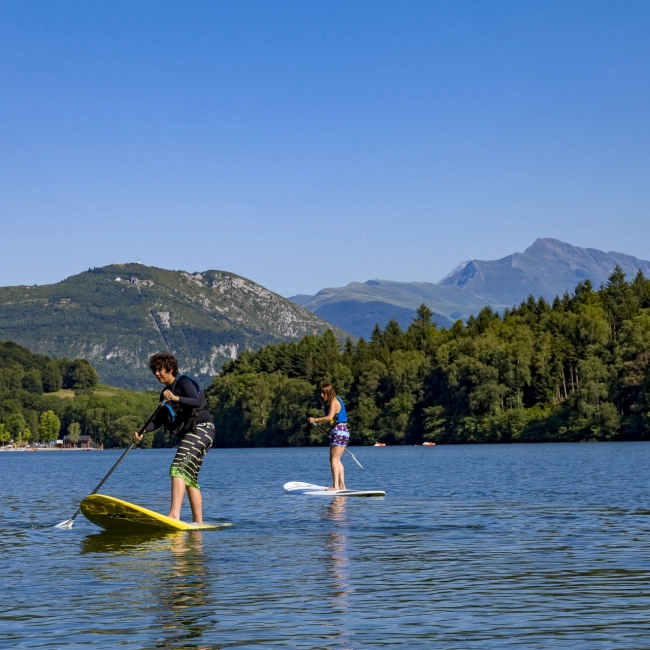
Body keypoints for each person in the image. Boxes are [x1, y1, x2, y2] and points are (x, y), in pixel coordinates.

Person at [133, 353, 214, 524]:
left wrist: (176, 398)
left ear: (170, 369)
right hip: (195, 433)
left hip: (201, 429)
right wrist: (142, 432)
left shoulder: (183, 382)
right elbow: (159, 420)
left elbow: (195, 402)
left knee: (177, 468)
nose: (156, 373)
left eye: (159, 369)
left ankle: (174, 515)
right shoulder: (164, 394)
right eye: (154, 370)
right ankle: (198, 524)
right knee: (189, 477)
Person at [308, 383, 349, 491]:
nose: (321, 395)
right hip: (341, 430)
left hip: (339, 431)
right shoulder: (334, 401)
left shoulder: (334, 402)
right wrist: (329, 430)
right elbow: (334, 420)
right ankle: (341, 485)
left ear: (329, 393)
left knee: (334, 460)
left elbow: (330, 417)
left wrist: (315, 420)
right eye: (321, 393)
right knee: (337, 460)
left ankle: (335, 486)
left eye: (324, 393)